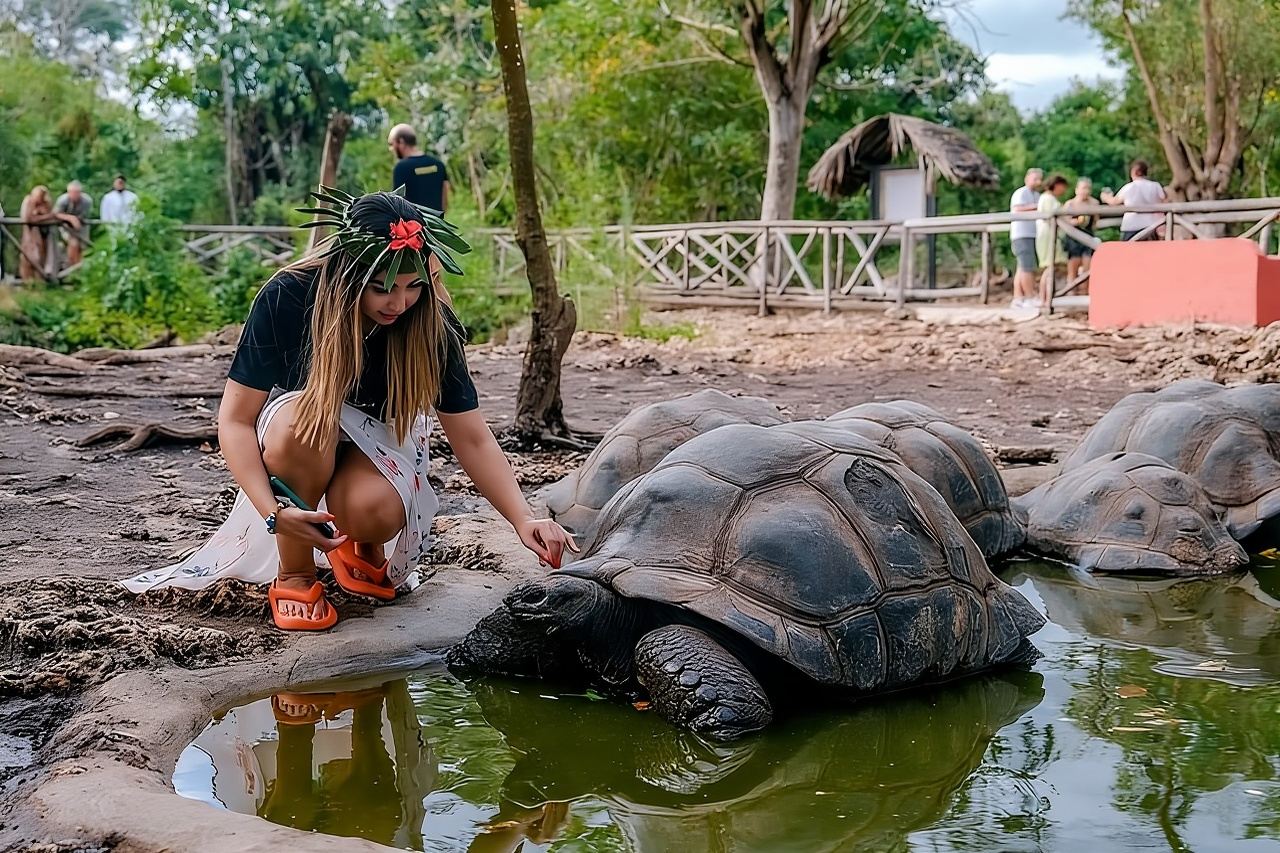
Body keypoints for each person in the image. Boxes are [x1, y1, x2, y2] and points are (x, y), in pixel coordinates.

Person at [122, 189, 576, 631]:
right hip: (298, 433)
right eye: (381, 289)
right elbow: (235, 420)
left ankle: (360, 544)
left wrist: (523, 517)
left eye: (412, 287)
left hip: (378, 442)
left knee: (372, 509)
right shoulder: (289, 296)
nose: (399, 304)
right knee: (307, 423)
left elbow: (471, 436)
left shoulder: (430, 322)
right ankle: (296, 573)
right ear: (347, 274)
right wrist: (272, 514)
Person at [388, 124, 450, 213]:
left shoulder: (401, 168)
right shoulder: (438, 164)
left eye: (391, 144)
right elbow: (445, 193)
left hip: (413, 225)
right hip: (436, 224)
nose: (391, 148)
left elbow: (398, 203)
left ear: (401, 141)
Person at [1102, 159, 1167, 241]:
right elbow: (1164, 200)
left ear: (1134, 171)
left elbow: (1114, 202)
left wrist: (1105, 197)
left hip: (1132, 225)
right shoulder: (1156, 186)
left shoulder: (1129, 187)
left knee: (1128, 252)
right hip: (1152, 225)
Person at [1008, 168, 1042, 308]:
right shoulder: (1021, 193)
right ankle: (1029, 296)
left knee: (1023, 267)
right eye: (1035, 178)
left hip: (1032, 233)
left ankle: (1018, 297)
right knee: (1026, 267)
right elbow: (1017, 209)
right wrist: (1036, 207)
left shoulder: (1037, 195)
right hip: (1021, 233)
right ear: (1027, 179)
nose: (1038, 182)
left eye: (1039, 179)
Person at [1036, 174, 1069, 307]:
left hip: (1050, 235)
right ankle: (1044, 298)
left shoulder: (1048, 199)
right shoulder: (1047, 199)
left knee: (1052, 267)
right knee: (1049, 267)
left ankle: (1046, 297)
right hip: (1048, 236)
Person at [1061, 177, 1098, 293]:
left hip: (1088, 237)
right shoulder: (1070, 204)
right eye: (1083, 188)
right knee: (1073, 268)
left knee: (1088, 268)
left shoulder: (1094, 203)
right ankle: (1071, 293)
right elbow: (1063, 221)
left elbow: (1095, 221)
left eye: (1088, 188)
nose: (1085, 191)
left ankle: (1085, 292)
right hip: (1073, 238)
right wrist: (1075, 222)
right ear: (1077, 190)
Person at [18, 185, 57, 282]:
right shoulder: (28, 201)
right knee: (28, 257)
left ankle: (40, 280)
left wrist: (43, 215)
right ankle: (27, 280)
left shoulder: (46, 202)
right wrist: (44, 216)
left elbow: (49, 214)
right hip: (30, 233)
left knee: (42, 257)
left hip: (43, 234)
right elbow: (29, 218)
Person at [53, 180, 93, 267]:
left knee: (83, 247)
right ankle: (71, 267)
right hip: (66, 226)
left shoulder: (87, 201)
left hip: (82, 226)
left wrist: (77, 220)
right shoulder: (62, 200)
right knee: (73, 244)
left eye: (77, 192)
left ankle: (80, 269)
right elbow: (55, 214)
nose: (74, 195)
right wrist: (71, 218)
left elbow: (84, 215)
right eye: (72, 192)